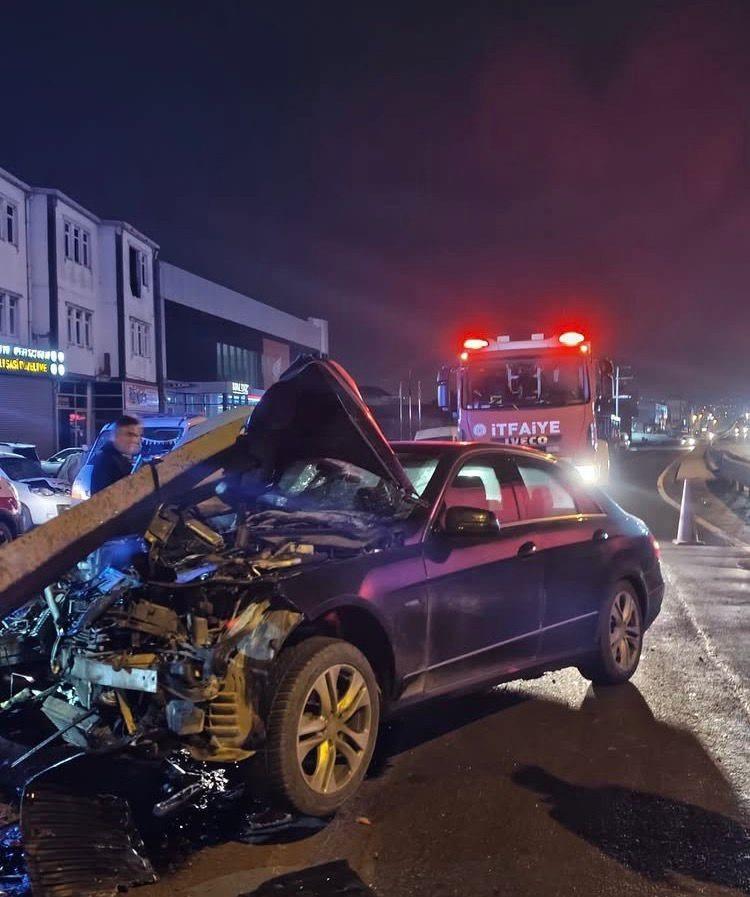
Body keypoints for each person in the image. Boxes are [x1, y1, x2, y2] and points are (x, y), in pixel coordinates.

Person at [90, 415, 143, 495]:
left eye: (138, 435)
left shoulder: (123, 460)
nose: (135, 439)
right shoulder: (106, 462)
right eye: (129, 434)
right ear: (117, 435)